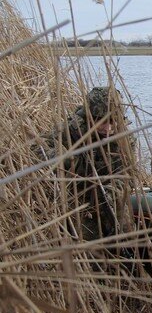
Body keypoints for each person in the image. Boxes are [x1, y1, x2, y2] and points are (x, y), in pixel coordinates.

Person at [36, 86, 135, 241]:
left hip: (110, 197)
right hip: (79, 198)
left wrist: (112, 191)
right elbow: (38, 147)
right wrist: (66, 160)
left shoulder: (125, 139)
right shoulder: (73, 130)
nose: (108, 128)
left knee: (126, 238)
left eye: (113, 121)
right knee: (87, 241)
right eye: (102, 122)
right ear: (89, 117)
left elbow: (128, 174)